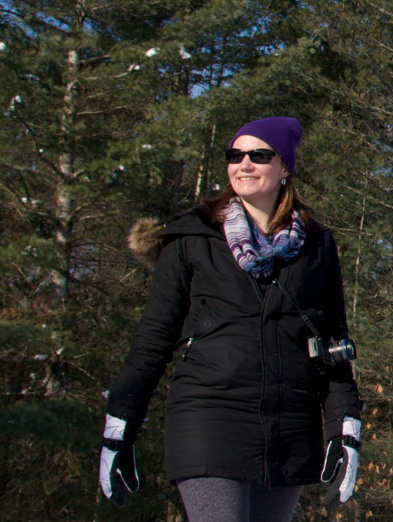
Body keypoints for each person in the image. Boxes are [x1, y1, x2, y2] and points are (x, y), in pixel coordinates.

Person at [101, 117, 364, 521]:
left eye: (259, 155)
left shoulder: (316, 243)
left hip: (290, 425)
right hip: (209, 415)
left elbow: (333, 343)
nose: (244, 164)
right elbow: (153, 338)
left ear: (285, 167)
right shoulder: (193, 236)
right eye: (234, 155)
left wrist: (345, 427)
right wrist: (120, 424)